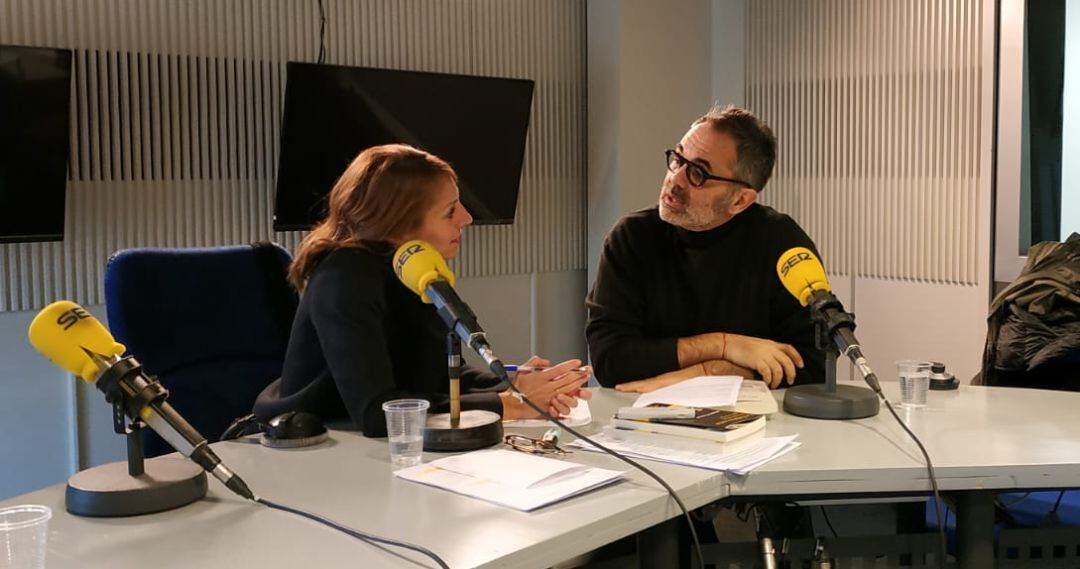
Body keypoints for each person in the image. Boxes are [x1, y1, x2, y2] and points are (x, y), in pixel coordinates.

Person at [255, 144, 591, 436]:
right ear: (399, 223)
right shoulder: (344, 278)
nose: (466, 218)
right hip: (320, 451)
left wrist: (516, 382)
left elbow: (430, 379)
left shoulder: (413, 267)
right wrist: (510, 405)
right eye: (449, 211)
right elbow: (378, 413)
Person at [586, 105, 825, 393]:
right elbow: (611, 361)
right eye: (677, 158)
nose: (676, 179)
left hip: (758, 427)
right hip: (643, 422)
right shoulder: (632, 238)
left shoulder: (781, 243)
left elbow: (816, 363)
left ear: (740, 201)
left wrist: (714, 371)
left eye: (698, 173)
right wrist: (725, 345)